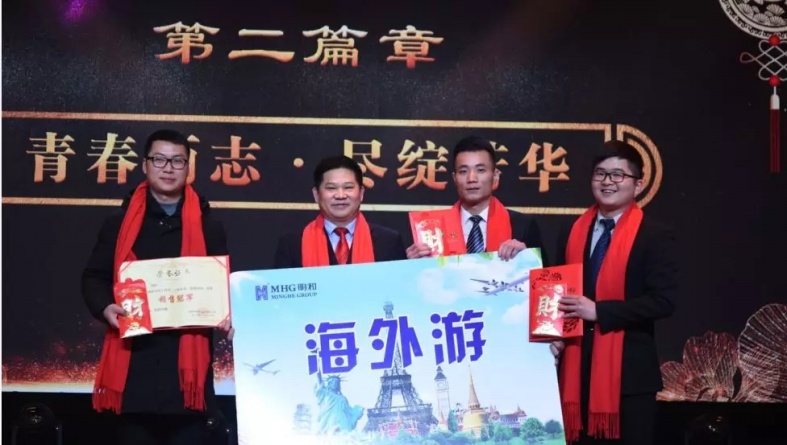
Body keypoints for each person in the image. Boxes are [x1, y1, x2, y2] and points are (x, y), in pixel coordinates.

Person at [82, 129, 233, 445]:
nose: (168, 168)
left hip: (187, 376)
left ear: (188, 167)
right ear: (145, 165)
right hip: (136, 364)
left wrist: (226, 310)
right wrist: (105, 307)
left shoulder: (209, 226)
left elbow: (220, 286)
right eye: (159, 160)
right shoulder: (118, 224)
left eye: (177, 161)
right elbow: (94, 277)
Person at [551, 140, 677, 445]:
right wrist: (552, 335)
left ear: (638, 184)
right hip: (576, 370)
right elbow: (555, 290)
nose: (607, 181)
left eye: (618, 175)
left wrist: (599, 311)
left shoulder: (654, 235)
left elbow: (663, 301)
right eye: (600, 174)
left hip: (629, 377)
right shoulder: (572, 230)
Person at [405, 136, 546, 262]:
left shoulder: (523, 226)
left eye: (480, 170)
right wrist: (411, 265)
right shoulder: (431, 231)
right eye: (463, 171)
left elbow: (545, 279)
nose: (471, 178)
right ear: (455, 178)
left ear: (495, 176)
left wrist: (527, 258)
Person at [273, 155, 407, 268]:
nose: (340, 195)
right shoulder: (292, 244)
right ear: (316, 195)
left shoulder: (389, 242)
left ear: (361, 193)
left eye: (348, 187)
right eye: (331, 188)